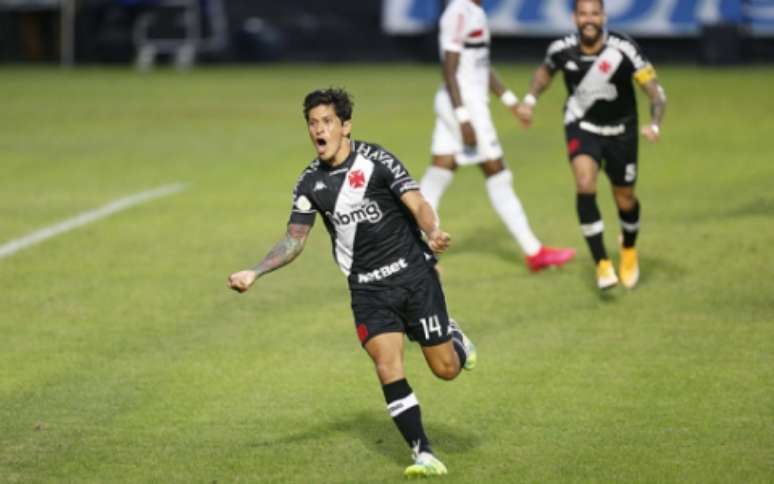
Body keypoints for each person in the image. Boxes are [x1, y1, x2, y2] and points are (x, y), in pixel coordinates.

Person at [228, 88, 476, 478]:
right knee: (387, 364)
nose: (318, 130)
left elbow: (417, 203)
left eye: (326, 122)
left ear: (345, 126)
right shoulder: (310, 183)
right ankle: (422, 453)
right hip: (368, 291)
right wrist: (255, 272)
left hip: (414, 277)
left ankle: (456, 338)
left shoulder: (378, 161)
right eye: (312, 123)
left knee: (445, 369)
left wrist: (433, 230)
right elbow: (294, 240)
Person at [516, 0, 667, 289]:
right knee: (585, 184)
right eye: (583, 14)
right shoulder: (561, 48)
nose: (589, 20)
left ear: (604, 17)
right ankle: (602, 264)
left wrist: (655, 123)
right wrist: (530, 100)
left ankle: (628, 249)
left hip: (622, 131)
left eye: (594, 14)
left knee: (625, 199)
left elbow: (656, 93)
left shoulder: (624, 49)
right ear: (574, 17)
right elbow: (545, 72)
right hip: (582, 125)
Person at [420, 0, 576, 273]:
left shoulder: (475, 11)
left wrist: (511, 101)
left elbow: (480, 66)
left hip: (464, 105)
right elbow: (449, 67)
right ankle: (534, 252)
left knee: (438, 172)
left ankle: (415, 254)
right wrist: (464, 117)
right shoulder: (458, 11)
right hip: (466, 108)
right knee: (498, 174)